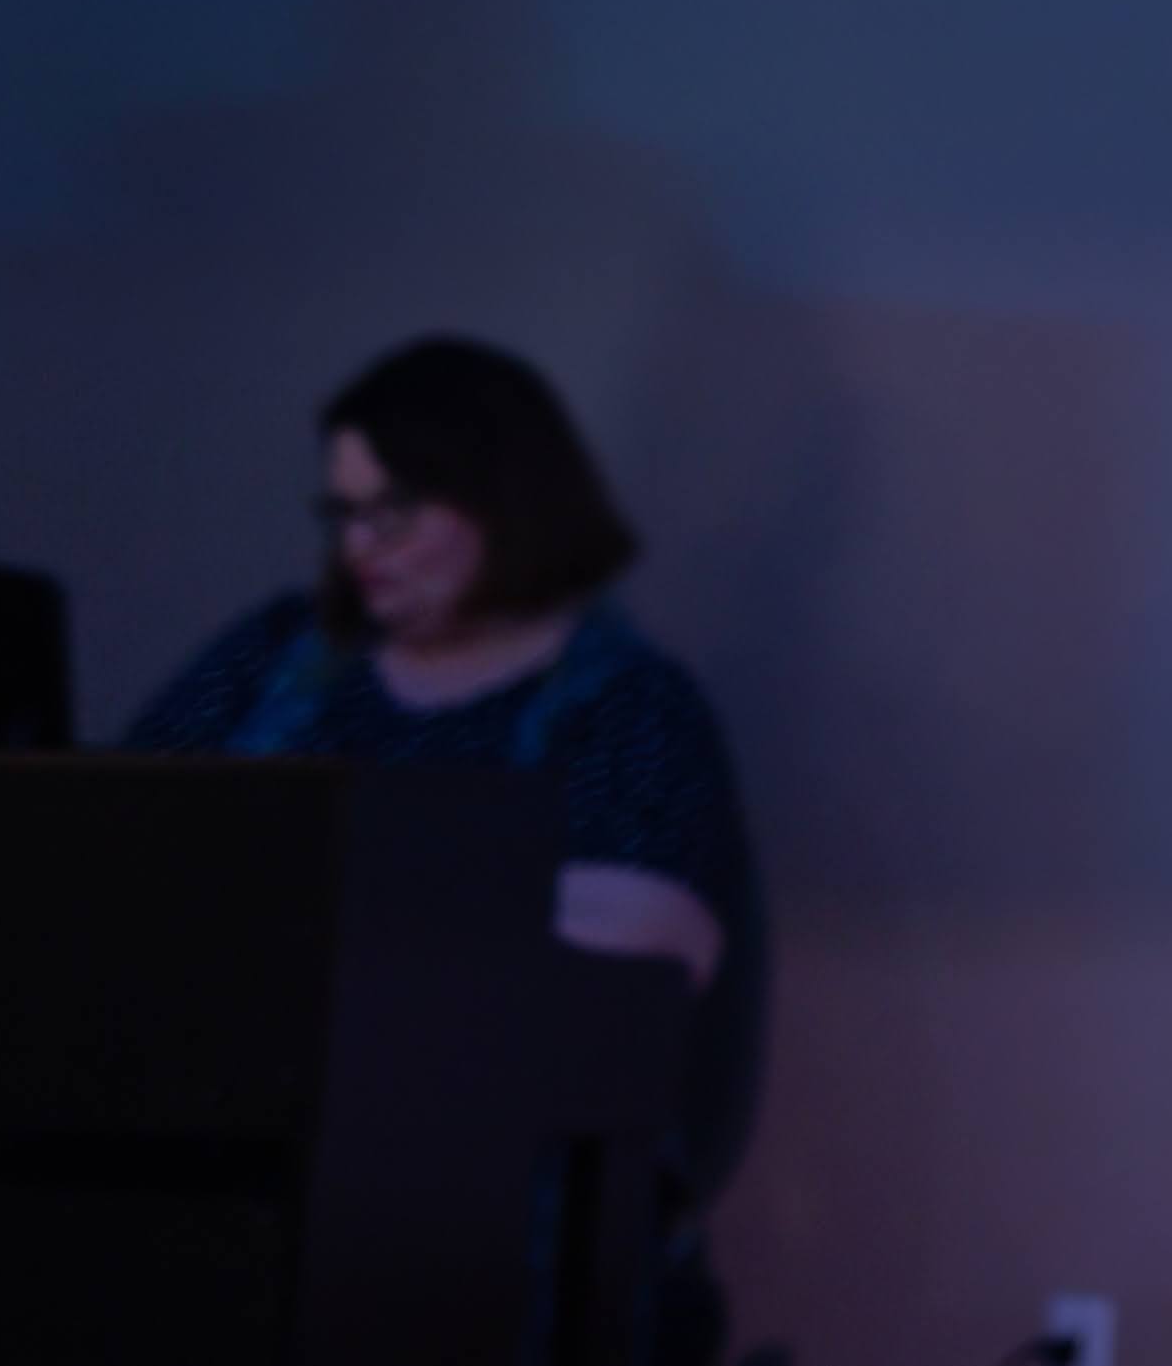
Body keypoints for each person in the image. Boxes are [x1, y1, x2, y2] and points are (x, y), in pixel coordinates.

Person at [131, 332, 766, 1366]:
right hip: (230, 1138)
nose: (361, 546)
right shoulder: (275, 654)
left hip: (473, 1199)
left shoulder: (629, 708)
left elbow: (619, 975)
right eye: (343, 514)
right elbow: (123, 834)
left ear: (504, 501)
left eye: (394, 512)